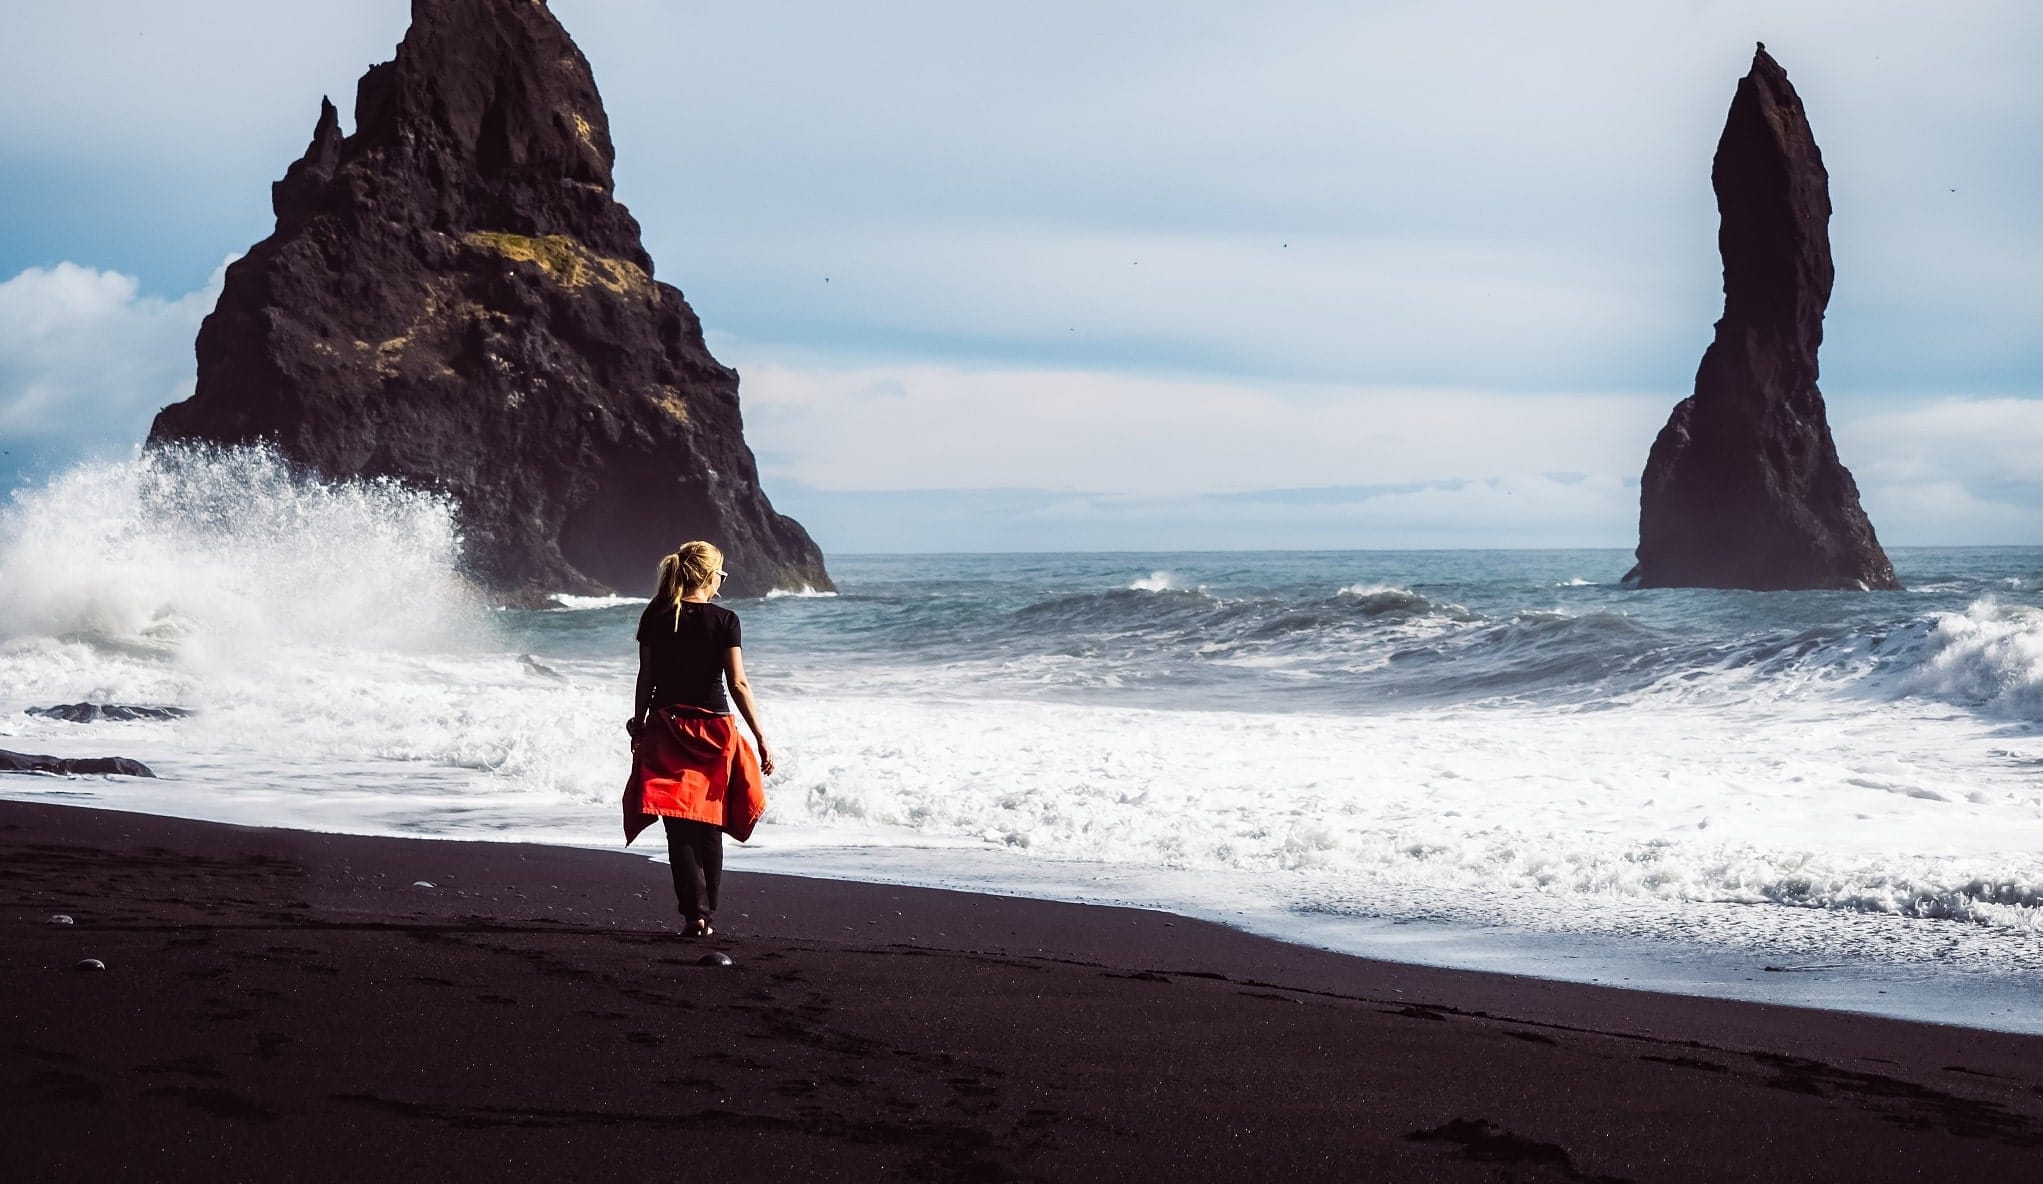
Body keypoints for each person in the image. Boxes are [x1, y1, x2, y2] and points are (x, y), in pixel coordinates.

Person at [621, 541, 775, 938]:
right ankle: (708, 912)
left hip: (668, 726)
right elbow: (738, 683)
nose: (723, 581)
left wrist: (638, 721)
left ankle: (695, 914)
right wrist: (760, 736)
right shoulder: (725, 621)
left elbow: (646, 676)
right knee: (709, 820)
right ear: (709, 577)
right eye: (721, 574)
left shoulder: (656, 615)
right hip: (713, 732)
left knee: (678, 825)